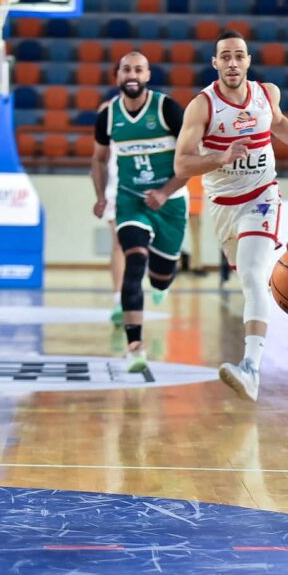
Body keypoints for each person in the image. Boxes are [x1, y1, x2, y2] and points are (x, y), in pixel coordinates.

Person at [174, 30, 288, 401]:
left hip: (262, 196)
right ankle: (280, 260)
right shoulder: (202, 107)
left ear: (248, 60)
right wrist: (219, 157)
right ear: (215, 63)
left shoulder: (266, 94)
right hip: (223, 207)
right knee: (252, 279)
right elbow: (181, 163)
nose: (232, 62)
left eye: (239, 55)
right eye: (225, 56)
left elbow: (278, 122)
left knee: (253, 278)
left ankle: (251, 367)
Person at [91, 51, 188, 372]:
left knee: (160, 277)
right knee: (134, 261)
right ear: (117, 76)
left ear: (147, 75)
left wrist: (164, 192)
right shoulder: (108, 115)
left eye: (138, 69)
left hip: (170, 202)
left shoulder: (167, 109)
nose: (132, 75)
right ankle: (135, 346)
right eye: (126, 69)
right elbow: (98, 159)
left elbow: (192, 156)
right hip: (130, 200)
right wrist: (100, 196)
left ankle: (163, 282)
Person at [94, 100, 124, 326]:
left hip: (146, 185)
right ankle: (119, 300)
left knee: (145, 244)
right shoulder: (107, 110)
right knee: (118, 244)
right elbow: (99, 157)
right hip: (117, 187)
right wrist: (100, 195)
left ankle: (158, 280)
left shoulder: (155, 107)